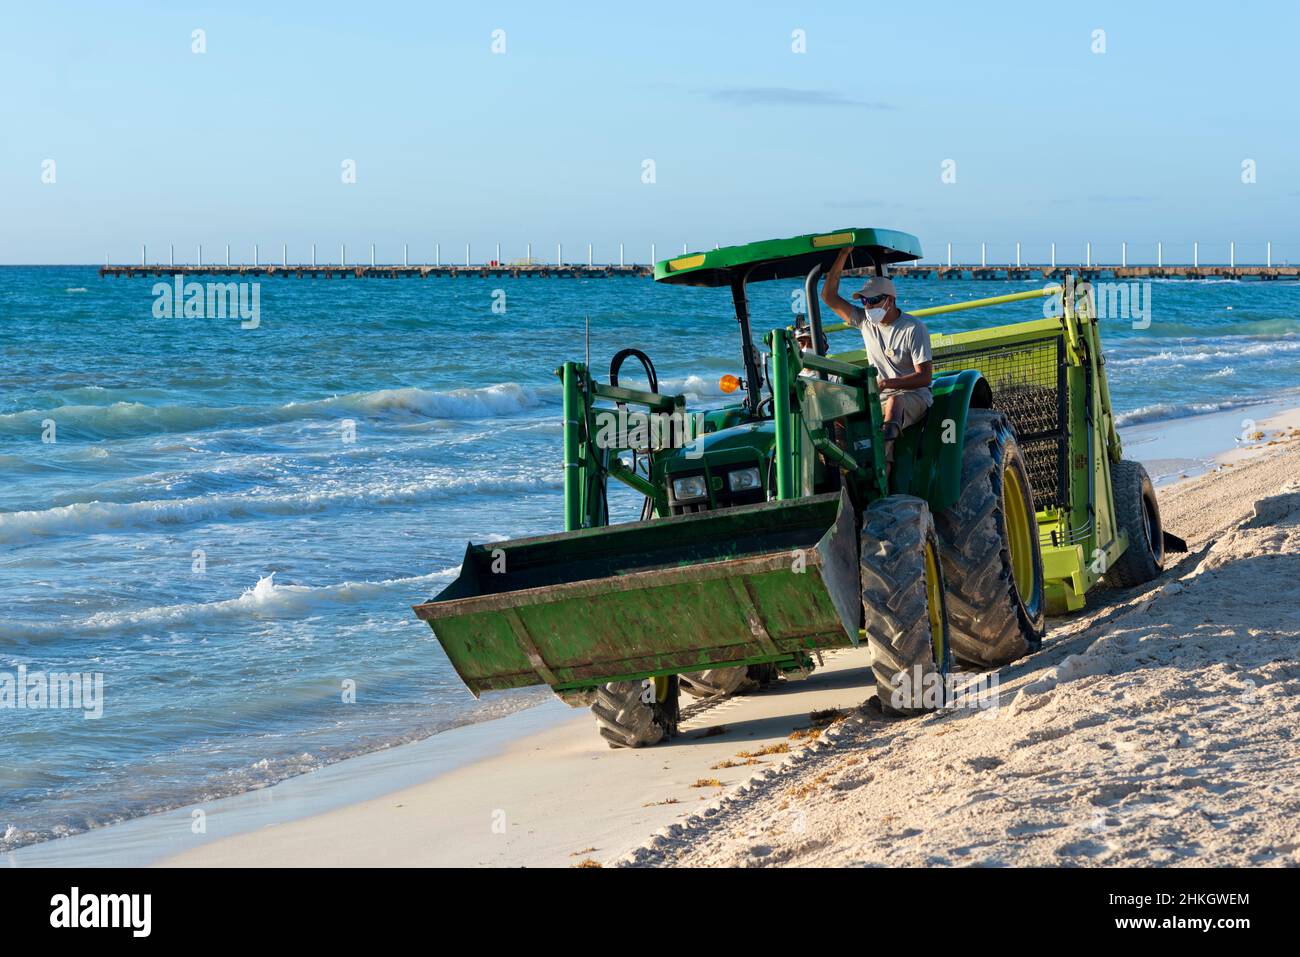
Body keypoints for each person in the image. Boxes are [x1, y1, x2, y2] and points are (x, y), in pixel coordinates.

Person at [820, 248, 933, 471]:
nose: (867, 306)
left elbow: (925, 377)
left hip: (913, 396)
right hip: (878, 395)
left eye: (872, 301)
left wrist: (887, 384)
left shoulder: (913, 328)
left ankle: (883, 463)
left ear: (889, 300)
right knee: (833, 413)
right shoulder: (865, 322)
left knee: (895, 401)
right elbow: (829, 297)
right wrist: (843, 255)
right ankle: (843, 470)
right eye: (864, 300)